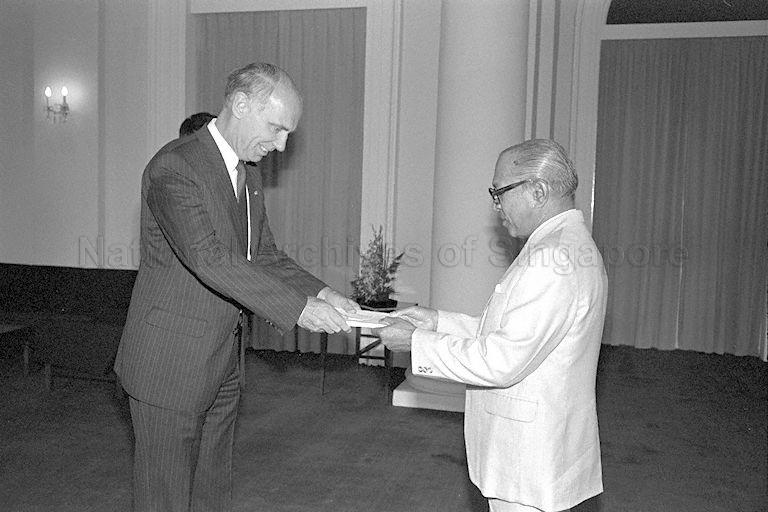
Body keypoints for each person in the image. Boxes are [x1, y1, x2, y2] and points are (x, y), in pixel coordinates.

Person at [114, 62, 358, 512]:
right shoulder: (174, 166)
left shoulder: (248, 173)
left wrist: (322, 293)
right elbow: (207, 257)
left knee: (211, 494)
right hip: (169, 364)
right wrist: (297, 309)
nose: (282, 144)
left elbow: (263, 254)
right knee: (164, 500)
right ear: (241, 104)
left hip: (222, 362)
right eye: (277, 128)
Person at [374, 139, 608, 512]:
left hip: (530, 464)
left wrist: (417, 343)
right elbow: (505, 332)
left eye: (499, 192)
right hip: (537, 455)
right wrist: (435, 322)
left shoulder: (553, 258)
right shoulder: (561, 244)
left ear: (538, 190)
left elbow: (502, 359)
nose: (496, 205)